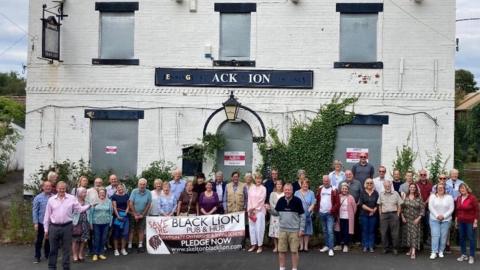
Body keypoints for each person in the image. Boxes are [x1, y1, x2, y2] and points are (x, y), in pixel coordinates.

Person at [43, 181, 91, 270]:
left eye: (63, 188)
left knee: (66, 250)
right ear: (57, 189)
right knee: (53, 249)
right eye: (60, 188)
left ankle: (66, 267)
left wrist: (89, 206)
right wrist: (46, 229)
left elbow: (79, 209)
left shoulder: (72, 198)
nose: (61, 190)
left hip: (67, 227)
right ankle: (51, 267)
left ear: (66, 189)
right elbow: (47, 215)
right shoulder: (51, 200)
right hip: (53, 227)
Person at [269, 183, 305, 270]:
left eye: (289, 190)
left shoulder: (298, 201)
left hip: (294, 231)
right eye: (286, 190)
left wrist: (301, 229)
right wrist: (269, 209)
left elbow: (302, 216)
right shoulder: (280, 200)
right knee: (281, 251)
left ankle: (294, 268)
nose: (287, 191)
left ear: (292, 191)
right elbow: (276, 213)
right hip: (282, 230)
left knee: (294, 251)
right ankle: (282, 268)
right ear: (283, 190)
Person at [428, 182, 454, 260]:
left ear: (444, 189)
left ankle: (441, 251)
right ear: (436, 189)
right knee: (435, 235)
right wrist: (437, 216)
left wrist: (444, 216)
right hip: (434, 219)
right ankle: (434, 252)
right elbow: (430, 207)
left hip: (446, 220)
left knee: (443, 236)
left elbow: (451, 208)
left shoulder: (449, 197)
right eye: (439, 188)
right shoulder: (432, 196)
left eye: (442, 188)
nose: (440, 189)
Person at [316, 175, 339, 257]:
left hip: (330, 214)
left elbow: (337, 203)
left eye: (327, 181)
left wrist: (332, 210)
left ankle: (331, 249)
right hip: (322, 213)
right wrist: (318, 209)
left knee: (330, 231)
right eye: (324, 181)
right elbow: (318, 199)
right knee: (325, 230)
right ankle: (326, 245)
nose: (326, 182)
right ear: (323, 181)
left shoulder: (334, 189)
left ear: (330, 181)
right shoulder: (320, 188)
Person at [377, 180, 403, 255]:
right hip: (384, 215)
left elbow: (399, 205)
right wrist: (380, 214)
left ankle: (395, 248)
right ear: (384, 186)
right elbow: (380, 205)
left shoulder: (396, 194)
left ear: (391, 185)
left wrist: (398, 214)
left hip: (394, 214)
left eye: (388, 185)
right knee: (383, 232)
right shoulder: (381, 194)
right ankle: (385, 248)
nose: (387, 187)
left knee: (395, 233)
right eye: (386, 186)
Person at [455, 183, 478, 264]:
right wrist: (456, 220)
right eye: (460, 188)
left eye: (463, 188)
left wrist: (475, 221)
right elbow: (458, 210)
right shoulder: (458, 198)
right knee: (462, 238)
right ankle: (464, 254)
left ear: (467, 189)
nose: (462, 190)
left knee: (471, 239)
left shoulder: (472, 198)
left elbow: (477, 210)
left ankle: (471, 256)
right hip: (461, 221)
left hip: (470, 222)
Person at [400, 183, 424, 259]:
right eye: (411, 187)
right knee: (408, 235)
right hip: (407, 219)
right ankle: (410, 249)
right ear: (409, 188)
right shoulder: (405, 197)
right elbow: (401, 208)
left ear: (416, 189)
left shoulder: (419, 198)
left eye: (414, 187)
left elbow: (422, 209)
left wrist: (419, 218)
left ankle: (413, 251)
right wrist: (402, 217)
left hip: (415, 219)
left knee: (414, 234)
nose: (412, 188)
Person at [128, 178, 152, 252]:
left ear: (146, 185)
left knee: (141, 230)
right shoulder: (134, 191)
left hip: (142, 215)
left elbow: (148, 204)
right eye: (141, 184)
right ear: (138, 184)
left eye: (144, 184)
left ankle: (140, 245)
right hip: (133, 214)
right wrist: (135, 214)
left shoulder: (148, 192)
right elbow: (130, 203)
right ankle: (129, 245)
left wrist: (142, 214)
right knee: (131, 230)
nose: (142, 186)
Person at [89, 188, 113, 261]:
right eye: (100, 192)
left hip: (106, 223)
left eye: (103, 193)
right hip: (96, 223)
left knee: (103, 239)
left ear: (105, 194)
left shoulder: (109, 201)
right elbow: (91, 213)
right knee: (96, 238)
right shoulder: (94, 201)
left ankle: (101, 253)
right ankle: (95, 254)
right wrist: (90, 223)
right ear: (98, 194)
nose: (102, 194)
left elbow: (111, 212)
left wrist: (110, 223)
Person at [32, 180, 52, 263]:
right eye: (46, 186)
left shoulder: (54, 197)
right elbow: (35, 211)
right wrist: (35, 222)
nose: (48, 187)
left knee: (49, 240)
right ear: (43, 187)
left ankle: (47, 255)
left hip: (51, 223)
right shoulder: (38, 197)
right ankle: (37, 256)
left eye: (49, 186)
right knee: (39, 240)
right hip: (41, 222)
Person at [247, 172, 267, 253]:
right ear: (254, 179)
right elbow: (249, 199)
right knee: (252, 228)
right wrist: (250, 210)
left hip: (259, 211)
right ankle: (253, 245)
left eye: (260, 178)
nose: (258, 180)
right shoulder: (251, 187)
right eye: (257, 178)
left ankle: (260, 246)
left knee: (259, 228)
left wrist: (255, 209)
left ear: (261, 179)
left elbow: (262, 200)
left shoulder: (263, 188)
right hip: (251, 211)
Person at [294, 178, 316, 252]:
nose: (305, 185)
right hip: (299, 214)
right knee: (300, 230)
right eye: (303, 184)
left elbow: (313, 202)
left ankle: (306, 246)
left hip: (308, 214)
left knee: (307, 231)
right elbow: (294, 202)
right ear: (301, 185)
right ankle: (301, 246)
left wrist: (311, 208)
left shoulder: (311, 193)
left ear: (308, 185)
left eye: (306, 184)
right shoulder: (297, 193)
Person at [334, 183, 357, 253]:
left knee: (346, 232)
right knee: (338, 231)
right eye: (343, 189)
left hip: (348, 217)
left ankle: (346, 245)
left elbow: (355, 207)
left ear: (348, 190)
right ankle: (339, 245)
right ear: (341, 189)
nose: (344, 190)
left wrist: (352, 215)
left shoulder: (351, 197)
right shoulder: (338, 196)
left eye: (346, 189)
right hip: (339, 217)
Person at [359, 178, 378, 252]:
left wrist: (373, 211)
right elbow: (361, 204)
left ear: (373, 184)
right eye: (368, 183)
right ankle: (365, 245)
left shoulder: (376, 193)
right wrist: (371, 210)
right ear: (365, 184)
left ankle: (371, 246)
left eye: (371, 183)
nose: (369, 184)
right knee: (365, 230)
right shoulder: (362, 193)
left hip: (373, 215)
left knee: (372, 230)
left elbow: (378, 204)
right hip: (364, 214)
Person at [71, 187, 89, 263]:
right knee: (75, 240)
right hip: (76, 223)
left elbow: (89, 213)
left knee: (83, 240)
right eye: (83, 192)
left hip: (85, 223)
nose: (85, 194)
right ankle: (75, 256)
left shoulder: (87, 201)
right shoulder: (74, 202)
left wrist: (90, 223)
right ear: (78, 193)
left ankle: (80, 254)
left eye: (85, 192)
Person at [111, 184, 130, 256]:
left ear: (124, 188)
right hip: (117, 217)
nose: (120, 189)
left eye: (121, 187)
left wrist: (126, 212)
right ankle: (116, 250)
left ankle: (123, 249)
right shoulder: (114, 196)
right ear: (116, 188)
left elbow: (128, 205)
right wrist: (118, 216)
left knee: (125, 233)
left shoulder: (127, 195)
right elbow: (114, 207)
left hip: (125, 217)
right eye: (118, 188)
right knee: (116, 233)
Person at [417, 169, 433, 246]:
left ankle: (426, 240)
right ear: (419, 175)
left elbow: (431, 194)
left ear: (426, 175)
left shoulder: (430, 184)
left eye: (424, 175)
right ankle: (419, 241)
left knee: (427, 224)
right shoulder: (416, 184)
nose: (423, 176)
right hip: (418, 209)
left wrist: (425, 202)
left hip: (427, 208)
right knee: (419, 225)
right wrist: (421, 203)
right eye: (421, 175)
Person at [268, 180, 284, 252]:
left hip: (283, 216)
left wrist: (280, 210)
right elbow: (271, 204)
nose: (279, 185)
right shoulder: (272, 194)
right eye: (277, 184)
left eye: (280, 184)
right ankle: (276, 246)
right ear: (276, 186)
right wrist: (277, 210)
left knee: (281, 232)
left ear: (282, 185)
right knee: (274, 232)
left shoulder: (284, 194)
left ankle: (281, 246)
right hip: (274, 215)